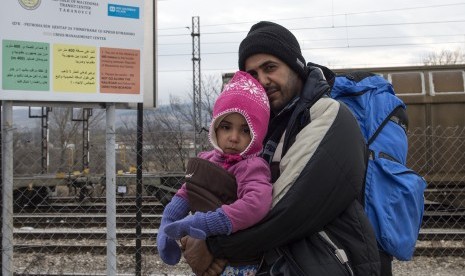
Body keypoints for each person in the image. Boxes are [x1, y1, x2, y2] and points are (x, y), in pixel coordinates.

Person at [180, 21, 381, 276]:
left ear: (296, 66)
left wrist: (214, 245)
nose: (262, 81)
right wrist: (196, 232)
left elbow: (287, 207)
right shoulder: (259, 128)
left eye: (270, 68)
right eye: (252, 74)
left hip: (323, 264)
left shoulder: (328, 115)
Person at [156, 71, 273, 275]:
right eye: (226, 127)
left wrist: (205, 222)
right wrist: (167, 221)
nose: (234, 137)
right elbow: (186, 193)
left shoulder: (251, 166)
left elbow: (256, 204)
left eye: (246, 130)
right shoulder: (207, 160)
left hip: (240, 265)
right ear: (215, 128)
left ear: (258, 134)